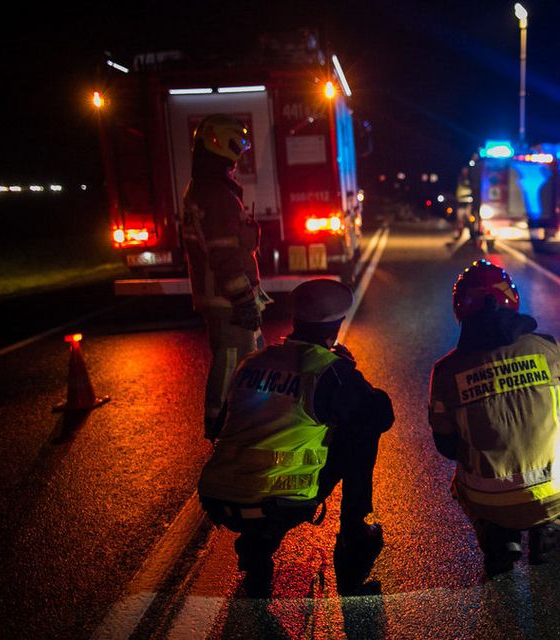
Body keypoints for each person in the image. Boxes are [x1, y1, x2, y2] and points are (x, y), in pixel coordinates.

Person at [198, 279, 394, 596]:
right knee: (362, 431)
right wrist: (346, 374)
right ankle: (354, 538)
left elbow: (223, 425)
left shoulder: (254, 360)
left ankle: (257, 547)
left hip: (217, 499)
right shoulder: (329, 371)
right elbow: (382, 415)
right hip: (279, 503)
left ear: (295, 321)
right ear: (336, 326)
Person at [428, 260, 560, 576]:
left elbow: (446, 446)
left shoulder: (445, 372)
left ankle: (496, 537)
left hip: (487, 497)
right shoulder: (547, 347)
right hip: (559, 485)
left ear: (461, 308)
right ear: (511, 299)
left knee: (461, 474)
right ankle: (550, 522)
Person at [181, 114, 270, 438]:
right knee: (232, 358)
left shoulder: (208, 189)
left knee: (250, 356)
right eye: (236, 149)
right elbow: (224, 255)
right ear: (220, 146)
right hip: (226, 297)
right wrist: (243, 297)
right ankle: (219, 423)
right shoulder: (216, 196)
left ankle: (246, 422)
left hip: (224, 296)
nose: (238, 159)